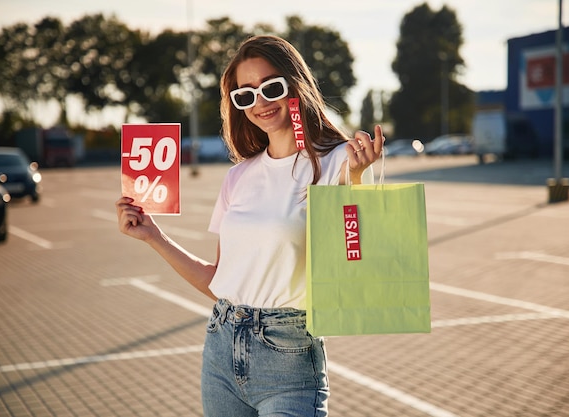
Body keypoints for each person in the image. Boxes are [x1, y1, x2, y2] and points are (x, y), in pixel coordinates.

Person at [116, 34, 384, 417]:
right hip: (222, 347)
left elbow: (358, 249)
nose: (259, 102)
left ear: (296, 85)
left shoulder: (341, 161)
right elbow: (219, 281)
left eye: (270, 87)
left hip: (289, 357)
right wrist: (153, 236)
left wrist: (358, 180)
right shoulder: (239, 176)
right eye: (245, 95)